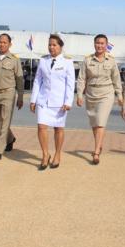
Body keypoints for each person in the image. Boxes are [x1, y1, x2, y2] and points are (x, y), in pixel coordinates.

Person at [30, 35, 75, 170]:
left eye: (54, 45)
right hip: (43, 100)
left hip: (59, 102)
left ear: (61, 46)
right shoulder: (43, 60)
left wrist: (68, 102)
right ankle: (45, 154)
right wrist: (33, 99)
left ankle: (57, 154)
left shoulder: (67, 62)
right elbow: (38, 80)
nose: (51, 47)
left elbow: (70, 84)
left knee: (58, 129)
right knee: (41, 127)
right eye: (49, 45)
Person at [77, 34, 123, 165]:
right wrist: (79, 95)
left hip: (106, 94)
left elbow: (116, 79)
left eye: (102, 43)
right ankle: (99, 144)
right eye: (97, 43)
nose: (100, 45)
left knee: (100, 122)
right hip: (91, 94)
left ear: (106, 45)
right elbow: (81, 78)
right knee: (94, 123)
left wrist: (119, 95)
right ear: (94, 44)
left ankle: (96, 152)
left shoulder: (111, 60)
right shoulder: (87, 60)